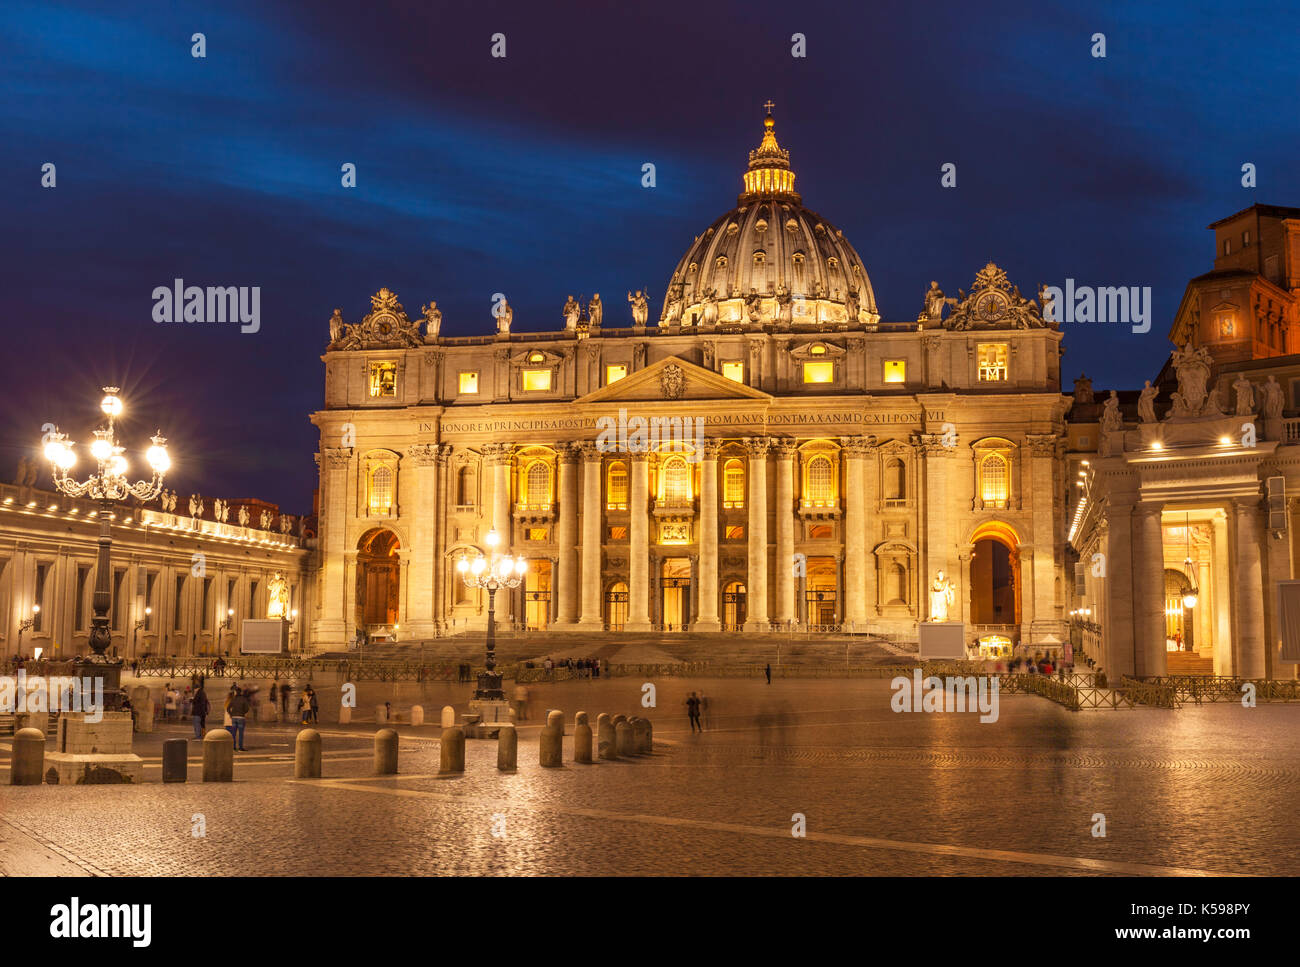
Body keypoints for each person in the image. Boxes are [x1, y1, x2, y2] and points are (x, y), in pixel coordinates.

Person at [228, 686, 251, 751]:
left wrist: (231, 714)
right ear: (241, 692)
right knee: (241, 733)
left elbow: (228, 708)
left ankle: (233, 747)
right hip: (241, 717)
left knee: (233, 733)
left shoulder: (233, 699)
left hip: (234, 718)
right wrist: (243, 712)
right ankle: (240, 747)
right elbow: (247, 708)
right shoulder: (243, 699)